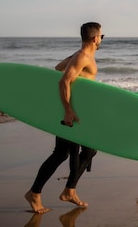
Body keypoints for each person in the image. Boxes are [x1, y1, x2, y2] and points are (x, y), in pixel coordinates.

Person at [24, 22, 104, 213]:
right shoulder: (83, 57)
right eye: (102, 36)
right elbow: (63, 81)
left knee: (70, 152)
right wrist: (68, 110)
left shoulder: (81, 56)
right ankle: (43, 192)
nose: (102, 39)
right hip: (71, 114)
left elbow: (58, 66)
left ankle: (65, 190)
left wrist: (74, 58)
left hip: (76, 113)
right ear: (95, 38)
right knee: (74, 152)